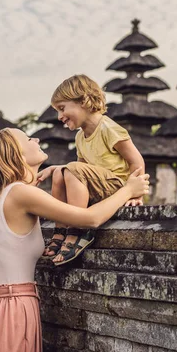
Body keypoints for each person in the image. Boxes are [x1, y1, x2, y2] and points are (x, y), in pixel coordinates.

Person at [0, 128, 149, 352]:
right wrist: (128, 190)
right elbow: (90, 219)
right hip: (11, 312)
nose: (37, 139)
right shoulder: (20, 194)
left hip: (0, 308)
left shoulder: (0, 197)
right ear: (16, 154)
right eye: (29, 138)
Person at [37, 74, 145, 266]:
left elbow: (136, 161)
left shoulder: (108, 128)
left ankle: (78, 230)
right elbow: (80, 171)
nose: (60, 116)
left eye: (62, 108)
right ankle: (61, 230)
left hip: (116, 186)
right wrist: (58, 169)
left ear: (83, 101)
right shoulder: (80, 137)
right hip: (97, 187)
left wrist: (135, 194)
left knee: (70, 169)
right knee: (60, 174)